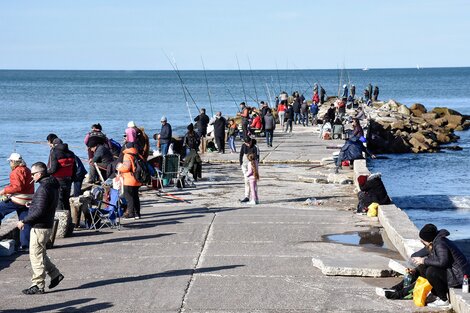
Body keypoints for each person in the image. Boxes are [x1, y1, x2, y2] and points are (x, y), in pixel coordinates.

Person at [18, 161, 64, 295]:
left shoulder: (43, 188)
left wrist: (24, 221)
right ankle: (55, 274)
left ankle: (38, 285)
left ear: (40, 173)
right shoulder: (52, 185)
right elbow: (44, 205)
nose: (32, 177)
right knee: (41, 254)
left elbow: (39, 212)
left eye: (33, 174)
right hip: (47, 225)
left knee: (35, 256)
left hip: (40, 227)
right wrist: (32, 204)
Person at [409, 224, 470, 308]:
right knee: (425, 268)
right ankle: (437, 295)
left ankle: (443, 300)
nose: (422, 242)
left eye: (422, 240)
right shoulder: (438, 241)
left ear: (427, 239)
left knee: (431, 271)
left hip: (458, 278)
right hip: (455, 274)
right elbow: (435, 259)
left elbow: (442, 262)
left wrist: (423, 260)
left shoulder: (440, 244)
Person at [0, 153, 34, 250]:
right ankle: (25, 245)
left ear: (13, 162)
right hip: (28, 199)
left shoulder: (15, 172)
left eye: (10, 161)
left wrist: (4, 191)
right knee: (25, 221)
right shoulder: (27, 170)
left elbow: (17, 187)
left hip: (18, 200)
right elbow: (21, 186)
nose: (10, 163)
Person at [47, 138, 75, 212]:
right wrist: (72, 178)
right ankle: (69, 219)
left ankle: (60, 220)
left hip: (58, 179)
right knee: (66, 200)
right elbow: (75, 168)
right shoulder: (71, 153)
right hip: (68, 178)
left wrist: (46, 173)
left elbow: (53, 169)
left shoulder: (54, 153)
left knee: (58, 199)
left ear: (54, 145)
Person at [117, 142, 142, 219]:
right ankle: (137, 213)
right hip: (137, 179)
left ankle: (130, 213)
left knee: (128, 197)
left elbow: (126, 168)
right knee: (135, 197)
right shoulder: (137, 154)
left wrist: (119, 167)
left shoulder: (127, 155)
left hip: (129, 179)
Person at [239, 137, 260, 203]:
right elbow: (241, 154)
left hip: (252, 165)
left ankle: (255, 198)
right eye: (246, 143)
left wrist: (255, 166)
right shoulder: (243, 145)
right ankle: (247, 196)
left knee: (254, 183)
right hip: (245, 165)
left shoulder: (255, 147)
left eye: (249, 143)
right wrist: (241, 163)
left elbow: (257, 157)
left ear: (251, 141)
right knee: (246, 181)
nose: (248, 145)